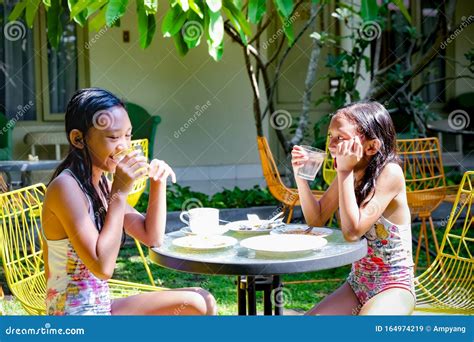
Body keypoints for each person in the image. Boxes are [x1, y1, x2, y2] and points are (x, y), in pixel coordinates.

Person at [42, 88, 217, 315]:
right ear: (78, 139)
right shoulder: (66, 187)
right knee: (197, 305)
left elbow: (151, 237)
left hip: (102, 307)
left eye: (128, 135)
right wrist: (120, 191)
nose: (124, 146)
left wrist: (158, 182)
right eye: (114, 137)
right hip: (74, 317)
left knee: (201, 299)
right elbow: (103, 268)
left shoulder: (100, 183)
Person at [292, 102, 415, 315]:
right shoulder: (351, 173)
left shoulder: (390, 173)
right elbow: (316, 220)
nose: (331, 144)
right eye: (330, 136)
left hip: (393, 286)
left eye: (341, 138)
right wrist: (300, 176)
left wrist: (345, 171)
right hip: (357, 285)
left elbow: (352, 232)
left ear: (371, 147)